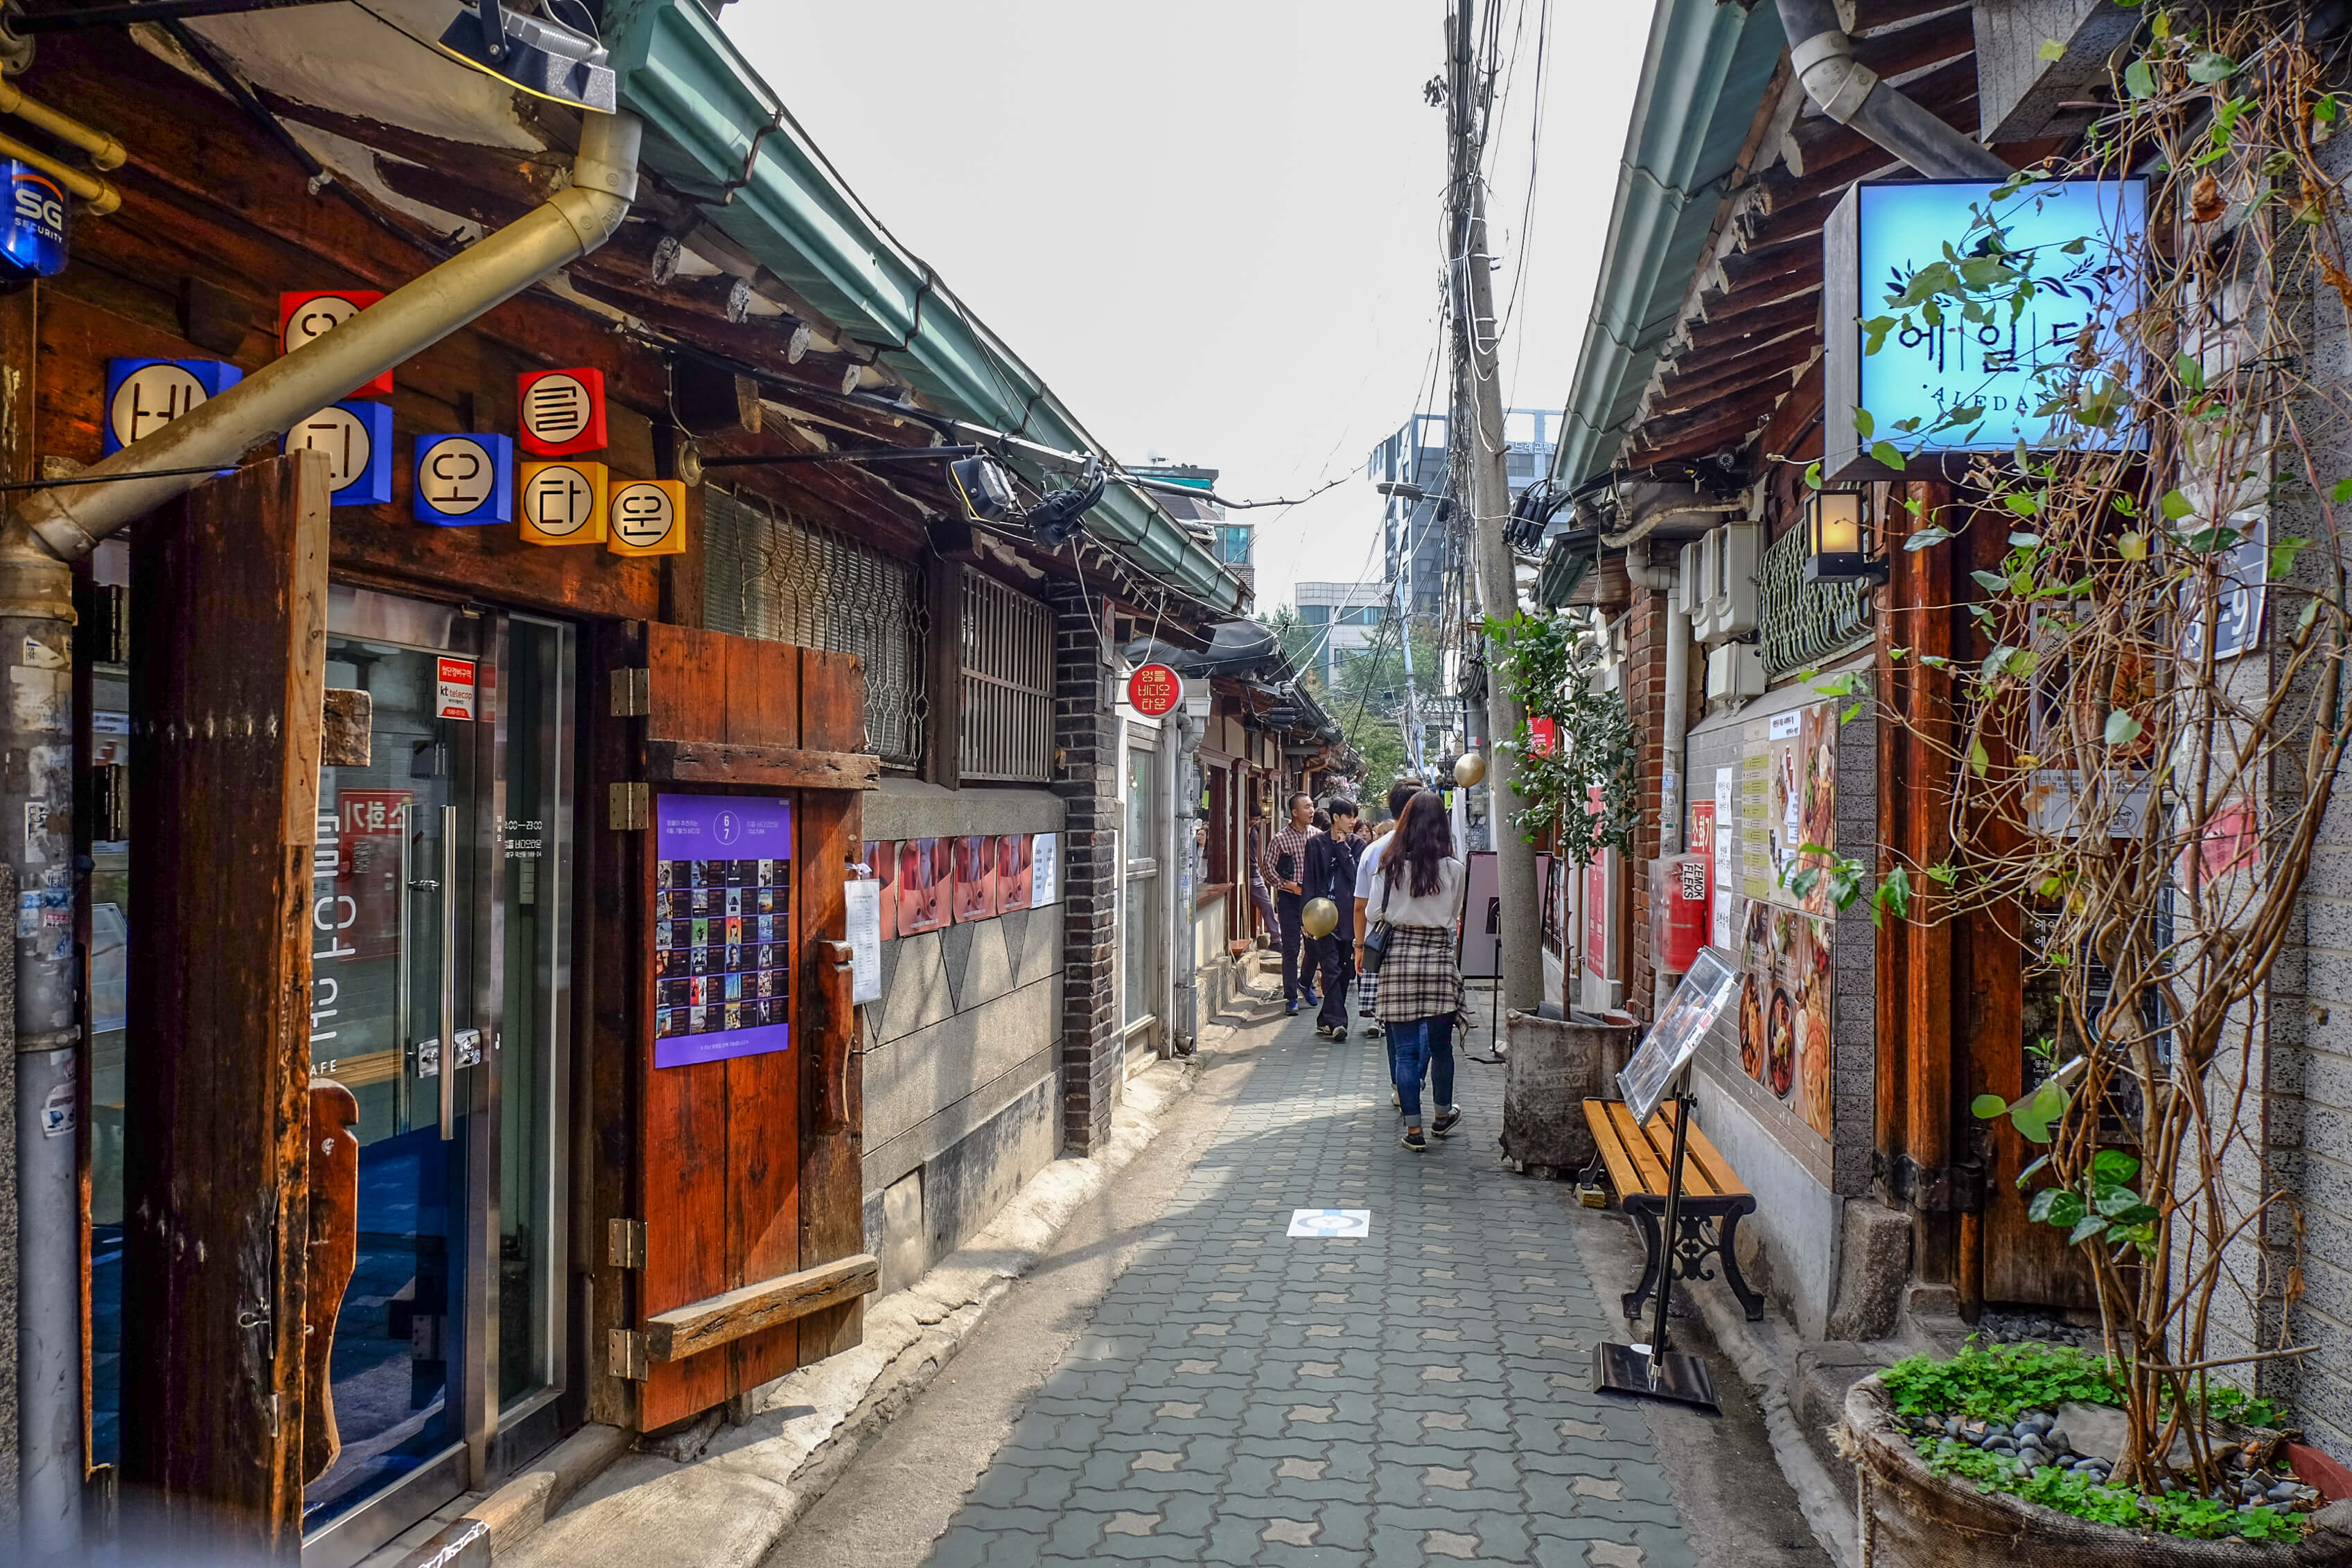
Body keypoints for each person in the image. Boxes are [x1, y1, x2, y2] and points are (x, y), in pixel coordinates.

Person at [1368, 789, 1466, 1152]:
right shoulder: (1455, 869)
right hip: (1439, 960)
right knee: (1441, 1048)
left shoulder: (1389, 865)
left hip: (1398, 961)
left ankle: (1414, 1131)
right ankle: (1442, 1116)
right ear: (1442, 826)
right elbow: (1453, 915)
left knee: (1406, 1051)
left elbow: (1372, 915)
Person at [1353, 778, 1425, 1040]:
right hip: (1426, 944)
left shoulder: (1373, 851)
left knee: (1397, 1023)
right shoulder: (1435, 850)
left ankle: (1382, 1024)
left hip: (1381, 940)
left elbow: (1361, 906)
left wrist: (1359, 946)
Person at [1304, 797, 1361, 1041]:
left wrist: (1343, 848)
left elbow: (1356, 876)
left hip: (1347, 916)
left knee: (1345, 970)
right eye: (1348, 816)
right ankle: (1339, 1022)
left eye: (1354, 817)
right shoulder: (1316, 844)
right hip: (1322, 915)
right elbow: (1310, 880)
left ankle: (1326, 1018)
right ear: (1336, 817)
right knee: (1330, 966)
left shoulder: (1358, 844)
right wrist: (1305, 919)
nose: (1352, 822)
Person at [1261, 791, 1319, 1016]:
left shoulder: (1318, 836)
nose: (1311, 810)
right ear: (1294, 812)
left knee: (1314, 947)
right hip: (1289, 898)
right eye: (1306, 807)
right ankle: (1291, 997)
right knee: (1291, 948)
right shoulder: (1280, 839)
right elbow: (1267, 869)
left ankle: (1304, 982)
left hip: (1313, 900)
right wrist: (1288, 885)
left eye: (1312, 806)